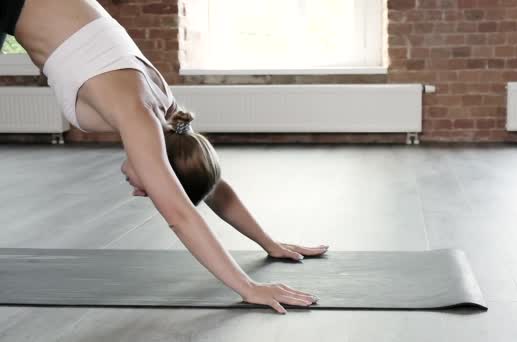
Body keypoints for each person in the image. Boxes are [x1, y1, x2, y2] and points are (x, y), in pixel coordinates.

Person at [1, 0, 329, 314]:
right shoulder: (141, 118)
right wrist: (248, 287)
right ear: (164, 172)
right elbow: (179, 213)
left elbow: (210, 180)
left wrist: (268, 243)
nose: (139, 191)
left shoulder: (167, 111)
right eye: (155, 186)